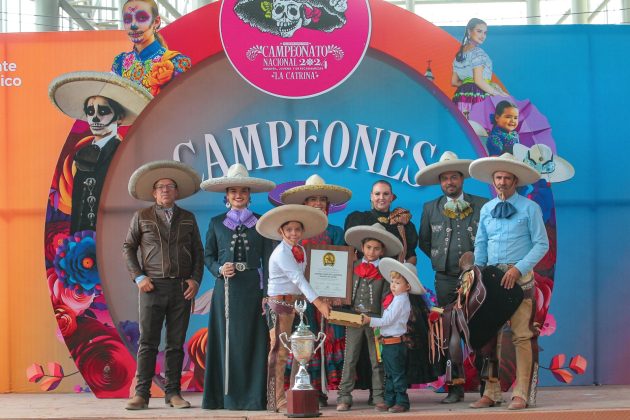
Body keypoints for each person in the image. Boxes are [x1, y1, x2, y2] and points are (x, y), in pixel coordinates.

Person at [468, 153, 549, 410]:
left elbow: (542, 244)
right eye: (498, 177)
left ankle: (521, 393)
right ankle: (491, 391)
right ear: (493, 181)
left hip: (520, 279)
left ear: (515, 181)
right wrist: (477, 272)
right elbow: (480, 243)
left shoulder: (530, 208)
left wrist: (519, 268)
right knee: (490, 336)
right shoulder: (487, 209)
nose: (502, 182)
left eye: (506, 178)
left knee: (521, 336)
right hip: (491, 279)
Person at [122, 160, 204, 410]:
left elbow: (198, 253)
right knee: (147, 342)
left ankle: (173, 393)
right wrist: (139, 276)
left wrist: (195, 279)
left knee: (175, 343)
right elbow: (128, 247)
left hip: (181, 288)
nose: (165, 190)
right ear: (153, 193)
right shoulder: (142, 216)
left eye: (170, 186)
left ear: (177, 192)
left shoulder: (188, 218)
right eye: (160, 187)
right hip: (151, 287)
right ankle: (142, 394)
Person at [199, 163, 276, 410]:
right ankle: (224, 397)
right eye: (233, 191)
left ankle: (253, 398)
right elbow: (208, 256)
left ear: (249, 194)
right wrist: (219, 269)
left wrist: (267, 294)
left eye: (243, 191)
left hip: (253, 290)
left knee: (253, 341)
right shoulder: (216, 222)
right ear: (227, 195)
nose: (238, 195)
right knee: (226, 340)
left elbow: (269, 259)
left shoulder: (262, 223)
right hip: (226, 290)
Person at [416, 151, 488, 403]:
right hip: (445, 278)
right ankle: (454, 387)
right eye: (445, 178)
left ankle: (486, 387)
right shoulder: (429, 208)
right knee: (449, 332)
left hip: (477, 275)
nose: (450, 182)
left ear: (462, 179)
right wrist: (440, 259)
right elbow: (424, 240)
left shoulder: (481, 204)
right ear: (440, 182)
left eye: (454, 177)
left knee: (480, 327)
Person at [48, 71, 153, 233]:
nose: (95, 118)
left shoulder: (125, 154)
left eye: (103, 111)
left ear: (119, 117)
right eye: (90, 112)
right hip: (81, 242)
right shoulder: (81, 154)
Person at [279, 174, 353, 405]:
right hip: (300, 298)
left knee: (325, 338)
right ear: (305, 204)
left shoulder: (336, 231)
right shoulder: (294, 232)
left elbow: (343, 267)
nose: (319, 203)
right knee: (303, 339)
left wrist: (338, 293)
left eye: (323, 199)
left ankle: (327, 390)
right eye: (313, 199)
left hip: (327, 299)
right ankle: (307, 389)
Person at [256, 204, 333, 412]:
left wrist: (325, 293)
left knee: (300, 350)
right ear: (281, 232)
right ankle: (275, 399)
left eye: (297, 229)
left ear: (302, 232)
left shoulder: (299, 250)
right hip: (280, 304)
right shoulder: (281, 252)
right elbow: (298, 278)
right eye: (289, 229)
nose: (293, 233)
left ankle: (295, 393)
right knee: (279, 352)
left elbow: (305, 278)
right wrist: (319, 302)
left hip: (296, 303)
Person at [336, 223, 403, 412]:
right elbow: (343, 290)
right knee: (350, 357)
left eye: (376, 248)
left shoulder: (385, 271)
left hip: (376, 320)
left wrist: (383, 319)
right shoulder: (352, 266)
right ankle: (344, 396)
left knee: (377, 359)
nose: (372, 252)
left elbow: (387, 298)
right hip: (354, 317)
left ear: (382, 250)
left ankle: (378, 396)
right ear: (362, 247)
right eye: (368, 247)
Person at [362, 258, 426, 414]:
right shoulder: (397, 299)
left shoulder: (401, 300)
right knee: (390, 374)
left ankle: (402, 401)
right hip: (389, 343)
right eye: (392, 282)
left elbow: (388, 320)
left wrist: (370, 320)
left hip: (395, 344)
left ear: (407, 286)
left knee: (396, 374)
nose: (393, 286)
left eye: (397, 283)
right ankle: (390, 399)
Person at [112, 0, 192, 96]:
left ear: (156, 22)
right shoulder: (119, 62)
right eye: (128, 20)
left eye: (141, 18)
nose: (133, 26)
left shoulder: (176, 62)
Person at [344, 180, 417, 265]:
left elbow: (411, 256)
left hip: (391, 275)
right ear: (371, 196)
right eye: (377, 194)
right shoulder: (357, 219)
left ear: (391, 197)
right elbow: (347, 250)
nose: (381, 197)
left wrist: (401, 274)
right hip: (361, 275)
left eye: (386, 194)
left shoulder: (403, 223)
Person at [451, 18, 506, 117]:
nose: (483, 36)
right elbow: (478, 81)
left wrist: (467, 84)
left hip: (460, 96)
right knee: (480, 129)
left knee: (464, 128)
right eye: (479, 31)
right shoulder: (478, 52)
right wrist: (497, 94)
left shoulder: (458, 55)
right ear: (469, 31)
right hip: (478, 95)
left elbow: (454, 82)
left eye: (485, 33)